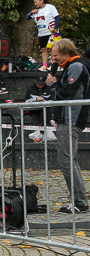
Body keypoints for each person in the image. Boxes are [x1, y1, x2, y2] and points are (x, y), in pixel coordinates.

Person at [45, 39, 90, 213]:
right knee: (70, 160)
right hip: (67, 119)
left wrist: (53, 84)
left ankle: (80, 202)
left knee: (66, 162)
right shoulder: (71, 65)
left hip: (70, 119)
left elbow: (66, 92)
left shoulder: (76, 66)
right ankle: (80, 201)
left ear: (66, 53)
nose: (53, 59)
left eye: (55, 55)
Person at [27, 0, 60, 69]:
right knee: (43, 49)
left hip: (51, 32)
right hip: (42, 33)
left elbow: (57, 17)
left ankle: (54, 64)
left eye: (36, 2)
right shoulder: (36, 11)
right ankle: (44, 65)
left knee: (52, 49)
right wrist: (32, 12)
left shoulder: (50, 7)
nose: (35, 4)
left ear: (42, 0)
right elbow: (27, 17)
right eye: (34, 3)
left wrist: (56, 27)